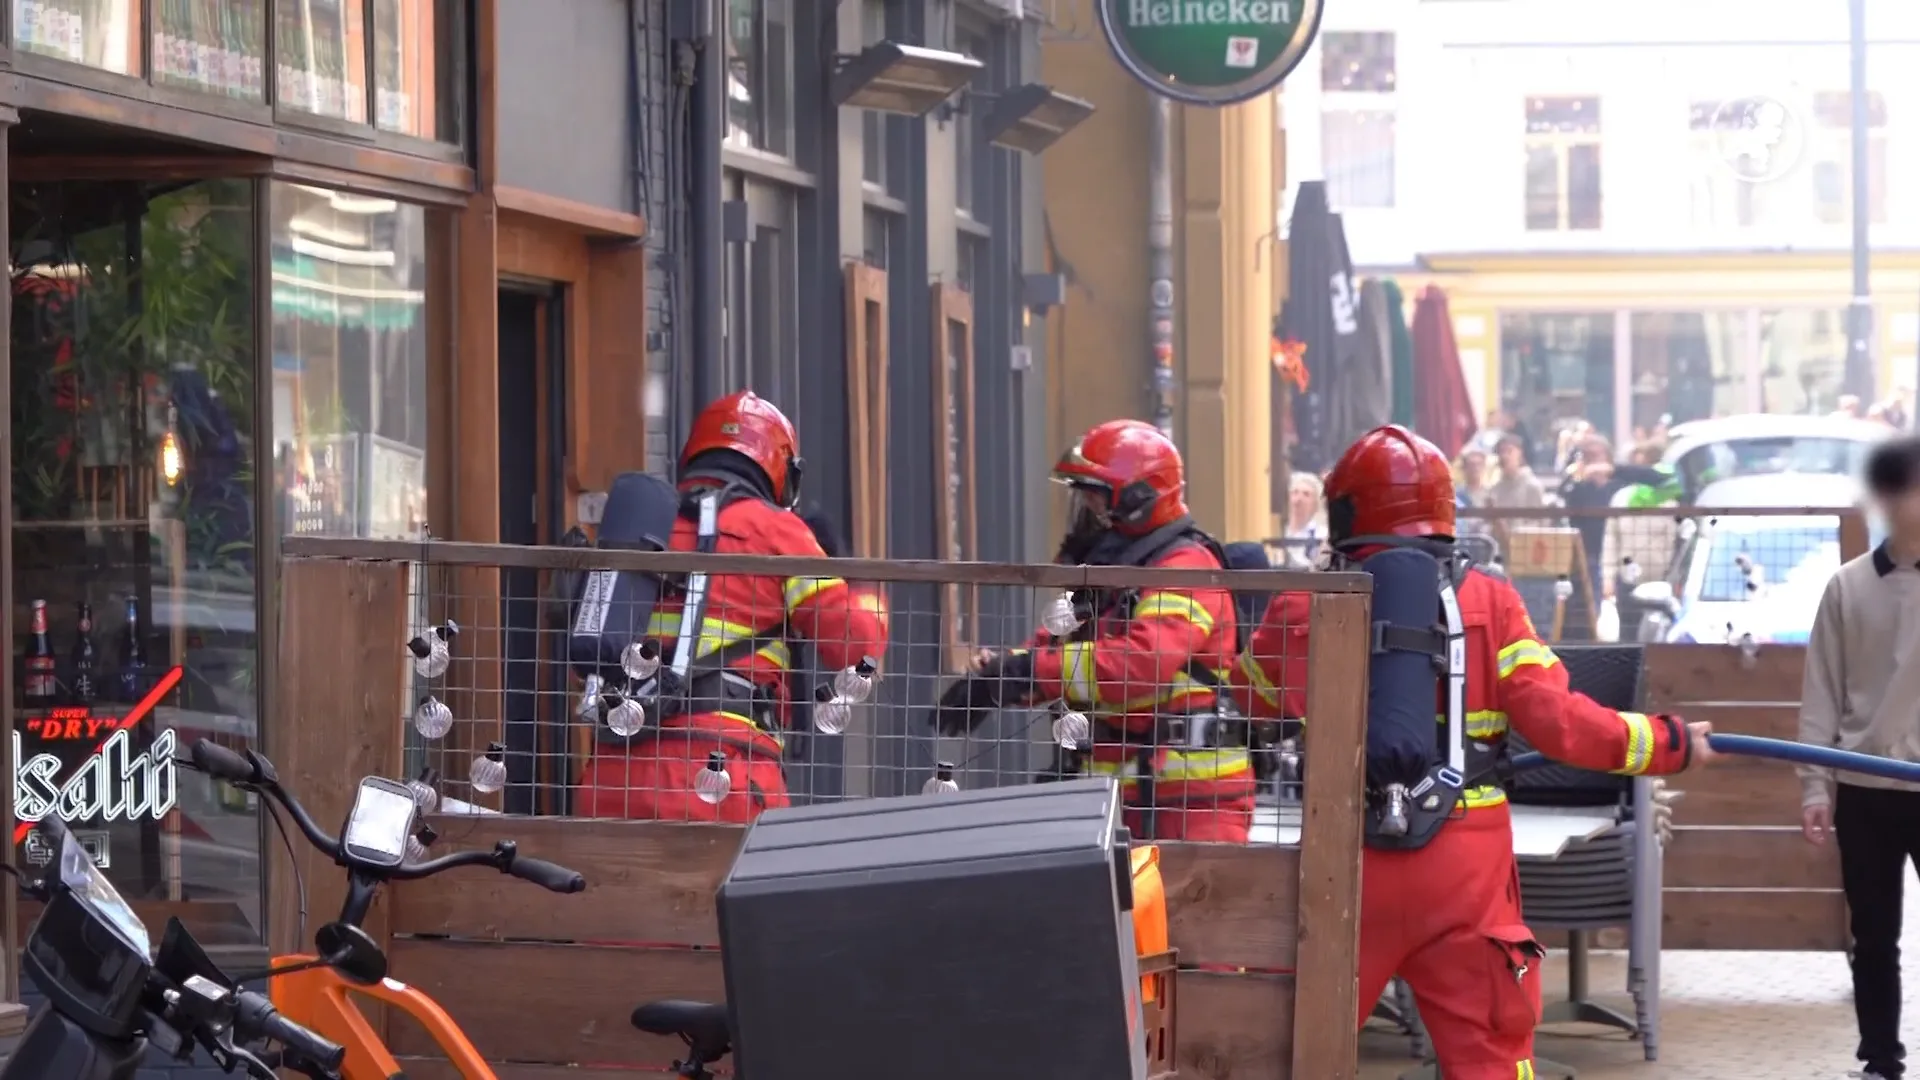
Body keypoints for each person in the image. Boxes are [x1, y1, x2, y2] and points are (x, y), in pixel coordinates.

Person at [1232, 424, 1715, 1080]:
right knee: (1490, 1057)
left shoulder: (1302, 605)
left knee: (1286, 1052)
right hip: (1464, 867)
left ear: (1345, 511)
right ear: (1442, 510)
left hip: (1343, 863)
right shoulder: (1491, 602)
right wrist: (1669, 743)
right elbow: (1564, 725)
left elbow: (1255, 700)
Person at [929, 419, 1252, 841]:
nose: (1087, 513)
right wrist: (1001, 674)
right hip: (1125, 799)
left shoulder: (1185, 567)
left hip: (1192, 806)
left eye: (1095, 500)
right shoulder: (1116, 575)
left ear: (1139, 500)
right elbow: (1058, 645)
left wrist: (1027, 672)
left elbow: (1139, 662)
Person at [575, 390, 890, 822]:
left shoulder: (644, 528)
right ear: (783, 471)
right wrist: (860, 582)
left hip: (614, 779)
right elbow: (858, 650)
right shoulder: (779, 533)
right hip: (725, 779)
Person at [1799, 433, 1920, 1080]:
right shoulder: (1846, 590)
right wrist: (1815, 788)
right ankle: (1879, 1060)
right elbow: (1821, 693)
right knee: (1873, 939)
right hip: (1866, 790)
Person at [1282, 472, 1328, 568]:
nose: (1298, 499)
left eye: (1306, 494)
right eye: (1295, 492)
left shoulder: (1322, 535)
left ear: (1316, 503)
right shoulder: (1277, 531)